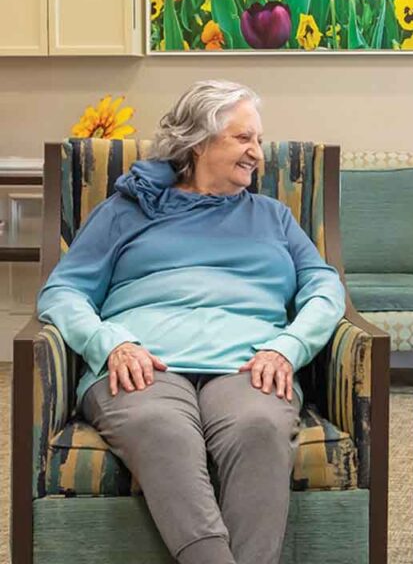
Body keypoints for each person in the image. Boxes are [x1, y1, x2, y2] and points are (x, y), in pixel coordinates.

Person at [36, 80, 346, 564]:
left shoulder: (274, 217)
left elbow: (325, 289)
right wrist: (108, 343)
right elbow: (63, 290)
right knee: (163, 428)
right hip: (142, 363)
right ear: (199, 141)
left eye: (259, 141)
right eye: (243, 139)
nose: (257, 154)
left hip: (249, 364)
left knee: (260, 428)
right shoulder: (127, 210)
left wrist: (288, 347)